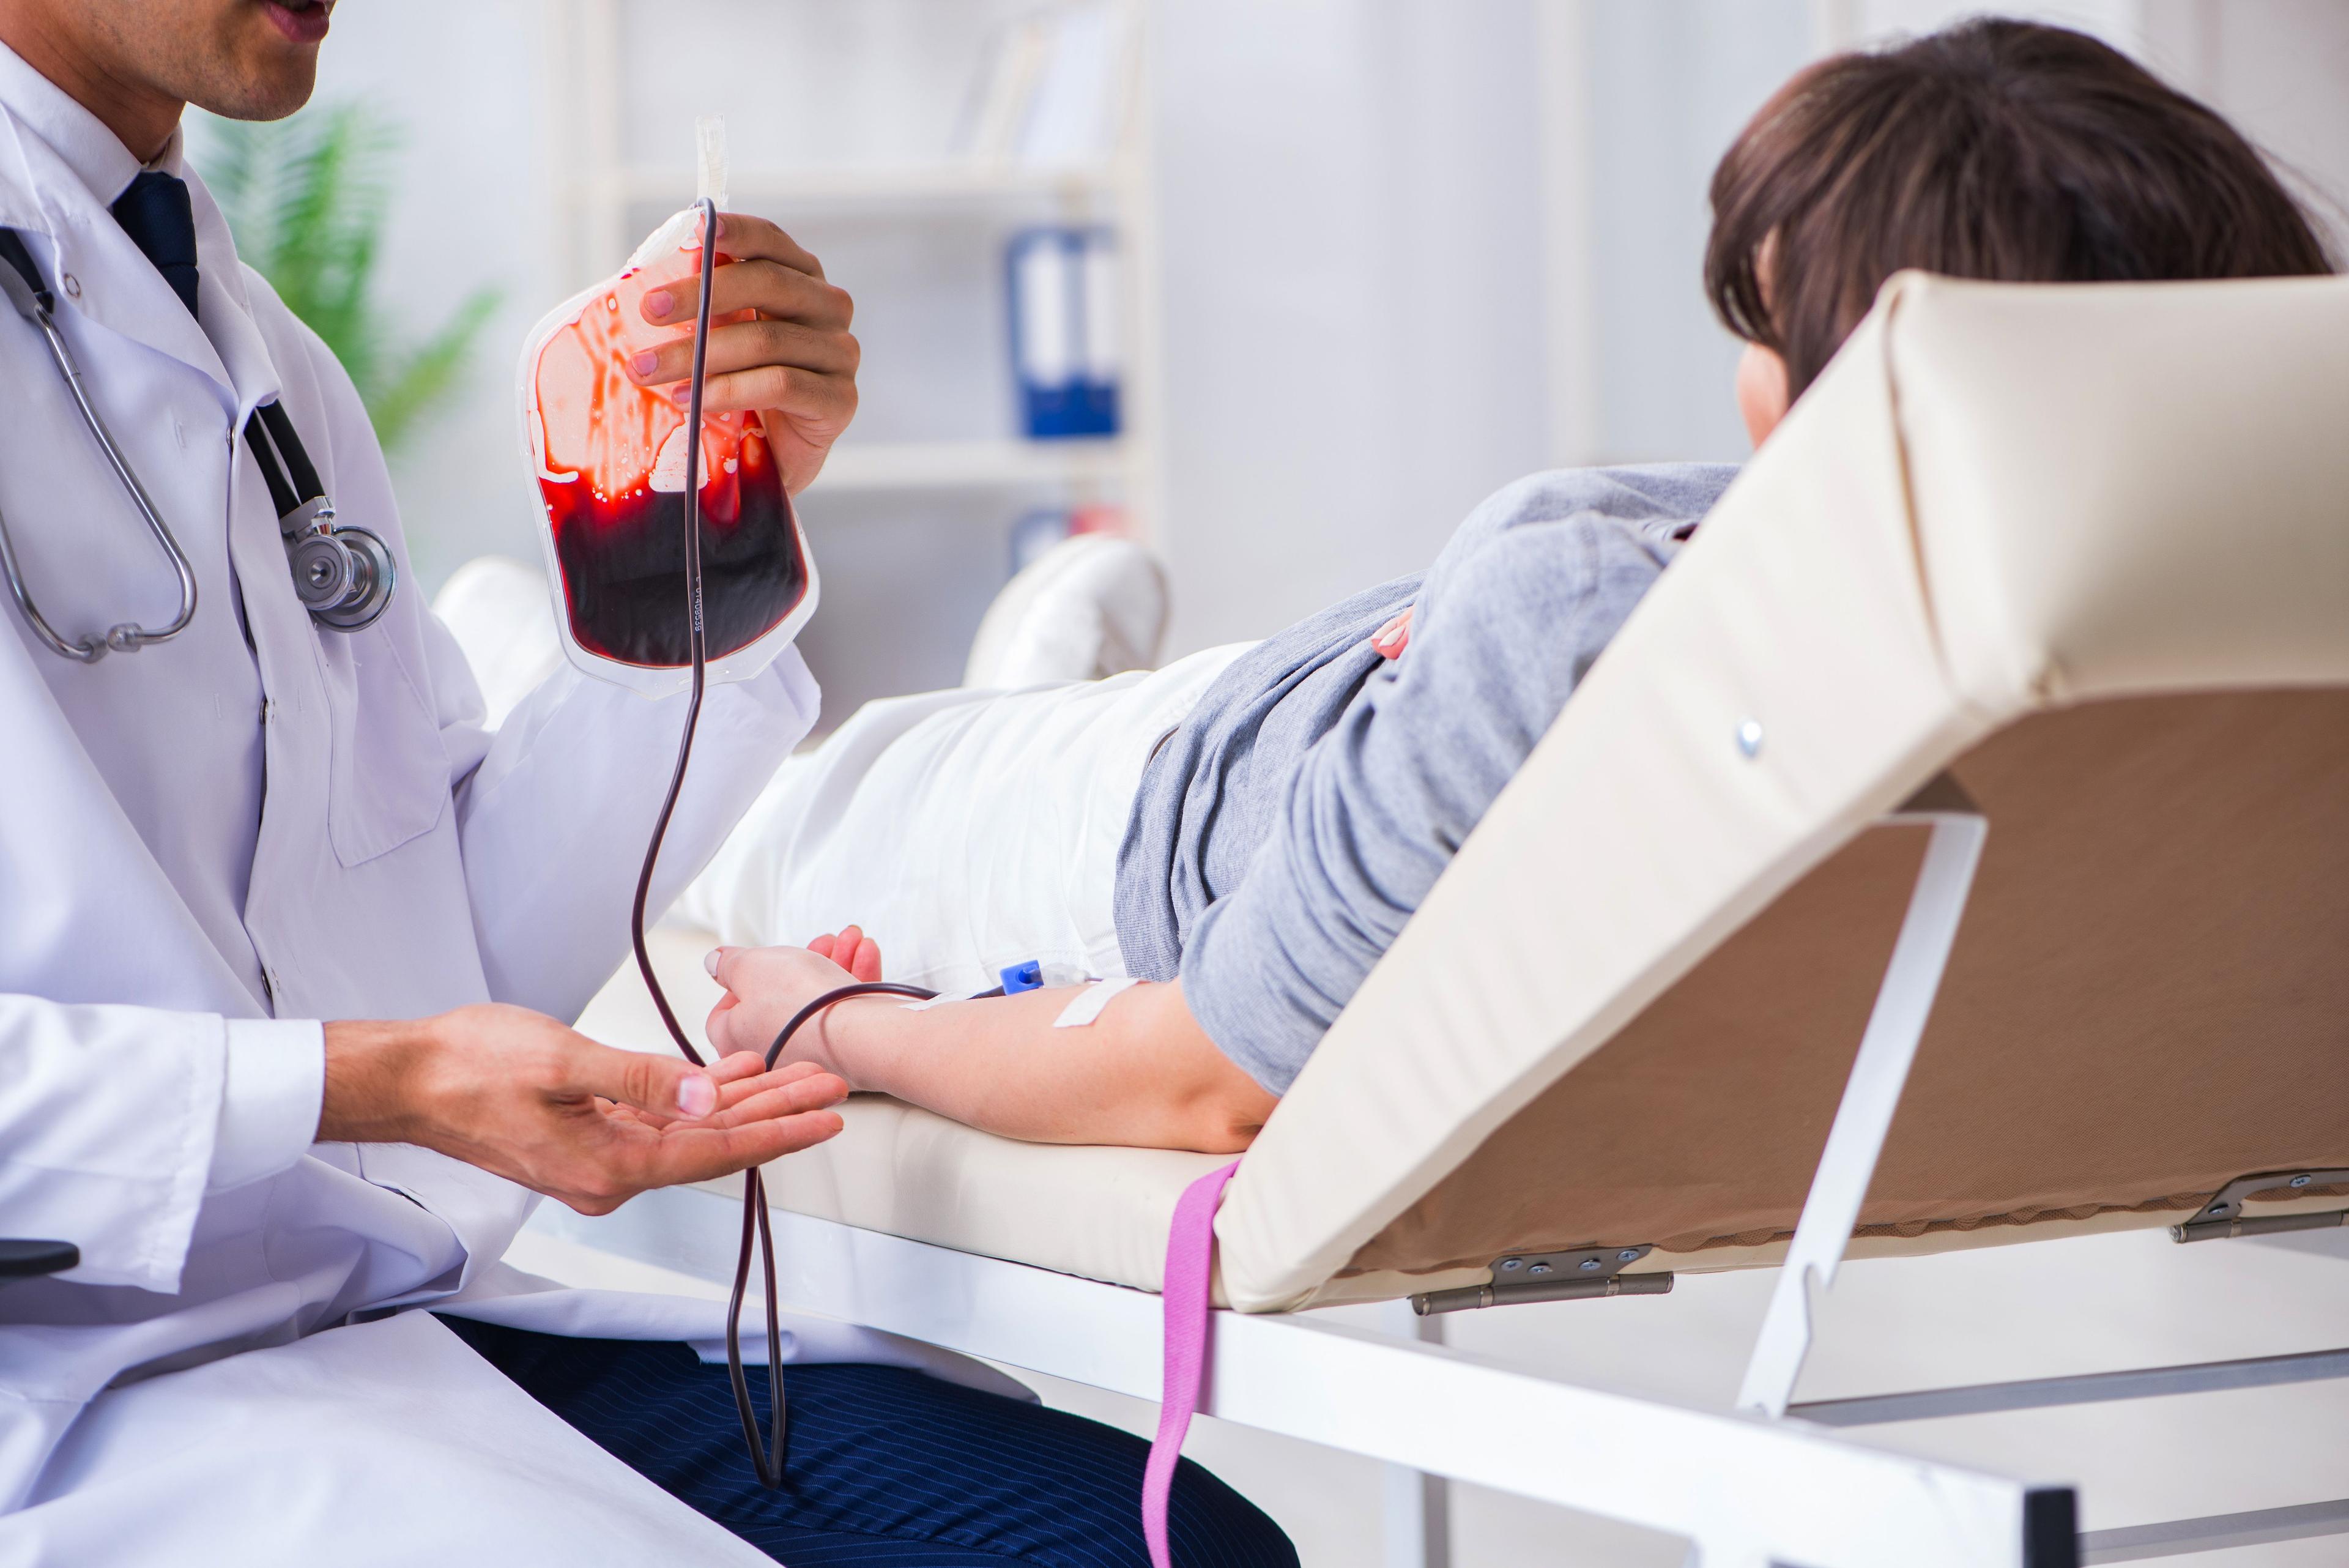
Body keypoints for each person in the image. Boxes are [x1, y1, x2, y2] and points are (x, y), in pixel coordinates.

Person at [0, 2, 1294, 1565]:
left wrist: (698, 549)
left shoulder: (260, 357)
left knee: (1166, 1547)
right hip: (77, 1386)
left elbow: (429, 940)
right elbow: (391, 1043)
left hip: (373, 1319)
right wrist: (373, 1084)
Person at [691, 18, 2336, 1154]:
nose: (1747, 384)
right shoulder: (2233, 627)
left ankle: (1008, 694)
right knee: (1063, 698)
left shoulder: (1589, 616)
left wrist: (837, 1018)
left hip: (1120, 837)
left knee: (763, 814)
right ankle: (1044, 678)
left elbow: (1210, 1081)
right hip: (1309, 706)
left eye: (1763, 327)